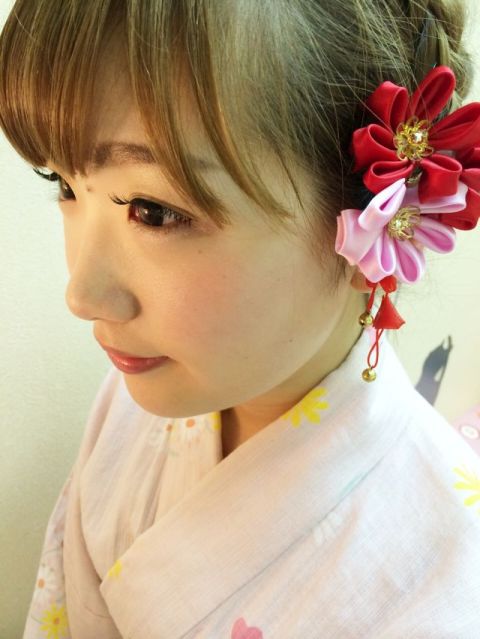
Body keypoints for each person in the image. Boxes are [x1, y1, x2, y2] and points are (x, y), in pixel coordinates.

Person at [1, 0, 479, 637]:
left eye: (152, 211)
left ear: (377, 215)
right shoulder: (131, 398)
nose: (82, 296)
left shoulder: (447, 586)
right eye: (64, 184)